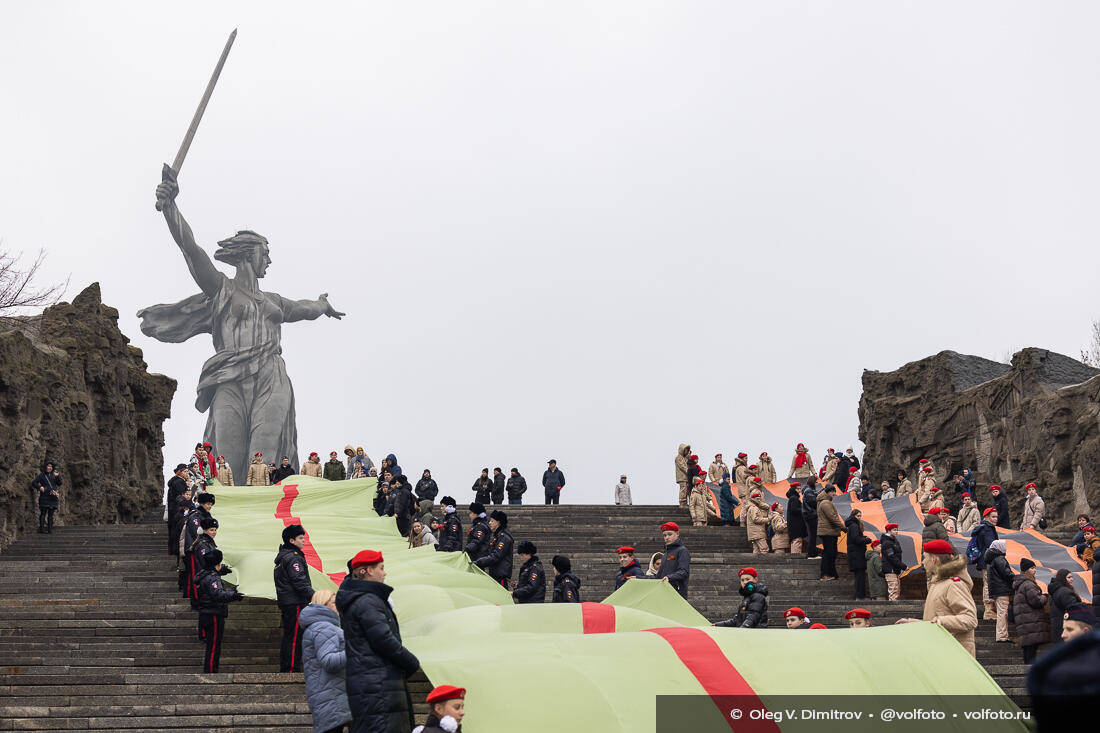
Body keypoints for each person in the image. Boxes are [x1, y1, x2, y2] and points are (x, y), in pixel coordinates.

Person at [336, 549, 420, 733]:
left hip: (372, 682)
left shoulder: (362, 599)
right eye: (381, 568)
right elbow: (383, 639)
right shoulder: (367, 601)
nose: (385, 573)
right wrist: (411, 662)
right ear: (367, 571)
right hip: (377, 685)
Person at [896, 539, 977, 657]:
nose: (923, 562)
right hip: (942, 652)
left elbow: (970, 619)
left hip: (955, 656)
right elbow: (933, 622)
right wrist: (911, 623)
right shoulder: (938, 584)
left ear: (934, 559)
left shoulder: (954, 584)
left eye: (925, 558)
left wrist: (942, 621)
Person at [301, 589, 352, 733]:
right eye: (335, 603)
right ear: (324, 605)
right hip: (332, 697)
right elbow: (329, 661)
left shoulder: (320, 626)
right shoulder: (324, 628)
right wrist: (354, 650)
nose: (339, 606)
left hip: (330, 695)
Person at [193, 548, 244, 673]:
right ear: (217, 563)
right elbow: (219, 594)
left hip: (205, 613)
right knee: (214, 645)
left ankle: (211, 669)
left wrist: (221, 571)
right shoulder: (213, 578)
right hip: (214, 614)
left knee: (212, 644)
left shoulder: (204, 574)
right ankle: (211, 671)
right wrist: (234, 594)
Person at [275, 524, 316, 673]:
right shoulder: (293, 558)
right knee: (295, 637)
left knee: (290, 635)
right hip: (295, 602)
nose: (303, 541)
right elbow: (299, 581)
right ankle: (291, 669)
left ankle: (288, 667)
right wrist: (314, 595)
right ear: (291, 541)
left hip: (288, 602)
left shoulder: (283, 557)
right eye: (300, 538)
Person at [1013, 558, 1051, 663]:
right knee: (1031, 650)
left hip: (1025, 621)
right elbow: (1036, 601)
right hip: (1031, 620)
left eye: (1035, 568)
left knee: (1028, 648)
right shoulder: (1028, 584)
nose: (1034, 570)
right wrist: (1044, 596)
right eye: (1032, 568)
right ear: (1026, 570)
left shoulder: (1020, 584)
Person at [983, 539, 1015, 643]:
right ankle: (1002, 636)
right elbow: (1006, 573)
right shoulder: (999, 559)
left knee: (1001, 613)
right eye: (1004, 546)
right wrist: (1016, 577)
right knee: (1003, 613)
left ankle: (1002, 635)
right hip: (1002, 590)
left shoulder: (991, 559)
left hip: (996, 590)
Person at [473, 510, 514, 587]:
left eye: (492, 521)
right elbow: (489, 553)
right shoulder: (497, 536)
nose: (489, 523)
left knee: (500, 598)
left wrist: (480, 562)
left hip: (500, 576)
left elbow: (496, 555)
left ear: (498, 523)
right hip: (495, 575)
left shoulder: (504, 537)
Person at [656, 521, 690, 598]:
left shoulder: (682, 551)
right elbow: (658, 576)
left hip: (677, 593)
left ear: (677, 534)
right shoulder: (665, 554)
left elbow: (684, 572)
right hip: (664, 592)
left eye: (669, 534)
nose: (667, 538)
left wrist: (669, 577)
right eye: (664, 535)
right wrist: (639, 577)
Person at [1047, 569, 1081, 646]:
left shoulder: (1056, 591)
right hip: (1066, 628)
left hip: (1058, 628)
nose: (1072, 579)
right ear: (1063, 579)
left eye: (1072, 577)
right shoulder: (1065, 592)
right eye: (1069, 577)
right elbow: (1075, 609)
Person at [817, 485, 844, 581]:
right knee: (829, 553)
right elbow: (832, 517)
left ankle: (833, 574)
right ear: (828, 492)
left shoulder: (825, 502)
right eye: (833, 492)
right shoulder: (825, 503)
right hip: (828, 532)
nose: (834, 494)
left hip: (829, 531)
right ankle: (824, 574)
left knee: (832, 553)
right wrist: (842, 527)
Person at [846, 509, 871, 599]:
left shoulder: (852, 526)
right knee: (860, 576)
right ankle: (860, 596)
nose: (860, 518)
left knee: (859, 576)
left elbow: (855, 538)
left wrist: (863, 537)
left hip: (855, 554)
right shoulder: (854, 526)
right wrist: (866, 540)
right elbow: (856, 539)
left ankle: (859, 595)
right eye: (858, 516)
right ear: (853, 516)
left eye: (860, 516)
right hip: (857, 554)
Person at [32, 460, 62, 534]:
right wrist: (40, 487)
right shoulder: (42, 475)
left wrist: (58, 476)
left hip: (53, 496)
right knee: (43, 512)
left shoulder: (54, 475)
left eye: (51, 466)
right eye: (48, 466)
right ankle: (42, 529)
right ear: (45, 467)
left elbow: (59, 483)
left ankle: (50, 529)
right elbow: (34, 482)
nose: (50, 468)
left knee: (51, 514)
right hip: (45, 496)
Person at [880, 524, 905, 601]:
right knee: (893, 589)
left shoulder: (894, 541)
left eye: (897, 529)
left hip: (895, 569)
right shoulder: (887, 543)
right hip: (890, 569)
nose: (896, 531)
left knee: (896, 589)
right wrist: (903, 566)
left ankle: (894, 606)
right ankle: (892, 607)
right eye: (894, 530)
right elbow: (891, 557)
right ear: (889, 531)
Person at [745, 485, 770, 554]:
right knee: (764, 549)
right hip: (757, 532)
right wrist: (767, 519)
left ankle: (755, 564)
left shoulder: (751, 507)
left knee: (756, 550)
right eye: (758, 499)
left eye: (760, 499)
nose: (759, 500)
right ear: (754, 499)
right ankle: (763, 564)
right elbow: (755, 519)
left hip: (755, 532)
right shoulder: (754, 508)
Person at [801, 478, 820, 559]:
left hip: (810, 515)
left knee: (813, 535)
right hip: (811, 515)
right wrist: (818, 496)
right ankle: (812, 554)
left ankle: (812, 553)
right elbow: (813, 502)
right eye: (816, 482)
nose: (817, 483)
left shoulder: (808, 490)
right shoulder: (808, 491)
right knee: (813, 535)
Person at [674, 443, 691, 508]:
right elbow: (683, 467)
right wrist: (689, 472)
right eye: (685, 450)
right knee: (683, 490)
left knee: (686, 490)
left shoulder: (684, 458)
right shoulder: (679, 458)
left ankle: (685, 503)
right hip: (682, 477)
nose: (686, 452)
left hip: (685, 477)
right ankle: (682, 503)